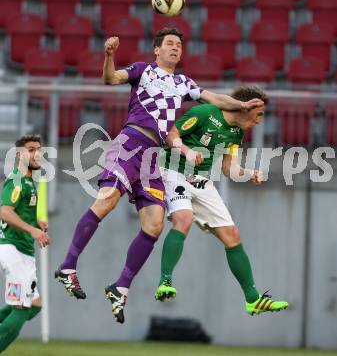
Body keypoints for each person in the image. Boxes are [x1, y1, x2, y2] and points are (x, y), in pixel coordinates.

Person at [55, 27, 264, 324]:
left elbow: (214, 98)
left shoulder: (183, 83)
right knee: (107, 200)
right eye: (169, 43)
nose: (175, 48)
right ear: (157, 50)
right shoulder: (143, 71)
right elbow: (110, 79)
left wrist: (242, 105)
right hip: (131, 143)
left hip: (154, 155)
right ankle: (67, 267)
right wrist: (110, 55)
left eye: (179, 44)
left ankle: (120, 287)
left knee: (154, 226)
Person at [155, 85, 289, 315]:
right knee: (184, 219)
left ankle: (253, 299)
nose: (259, 121)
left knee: (232, 236)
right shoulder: (206, 113)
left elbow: (229, 168)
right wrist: (187, 151)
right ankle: (165, 281)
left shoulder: (237, 133)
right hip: (171, 170)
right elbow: (171, 134)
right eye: (259, 114)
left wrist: (249, 174)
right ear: (246, 107)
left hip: (200, 180)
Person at [0, 135, 50, 352]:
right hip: (14, 250)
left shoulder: (29, 180)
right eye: (31, 150)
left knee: (35, 305)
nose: (37, 154)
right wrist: (33, 230)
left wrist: (34, 221)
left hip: (23, 251)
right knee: (21, 308)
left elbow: (18, 211)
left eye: (39, 149)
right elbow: (4, 211)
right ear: (20, 154)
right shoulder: (17, 180)